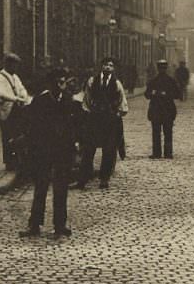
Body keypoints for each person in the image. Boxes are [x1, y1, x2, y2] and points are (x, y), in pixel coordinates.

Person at [20, 67, 83, 239]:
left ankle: (60, 224)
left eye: (63, 82)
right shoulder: (40, 101)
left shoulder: (69, 101)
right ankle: (34, 224)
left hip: (62, 150)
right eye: (58, 82)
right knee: (40, 186)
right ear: (51, 84)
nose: (61, 85)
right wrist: (32, 148)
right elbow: (31, 126)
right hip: (43, 150)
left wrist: (75, 144)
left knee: (61, 187)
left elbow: (75, 125)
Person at [79, 57, 129, 188]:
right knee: (88, 149)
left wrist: (118, 112)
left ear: (113, 69)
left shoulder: (116, 83)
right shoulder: (92, 81)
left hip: (109, 119)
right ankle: (83, 178)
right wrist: (89, 111)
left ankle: (104, 178)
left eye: (111, 66)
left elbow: (121, 99)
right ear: (101, 66)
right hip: (95, 118)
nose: (108, 67)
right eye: (106, 65)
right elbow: (87, 98)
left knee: (109, 149)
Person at [0, 53, 31, 172]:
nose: (15, 68)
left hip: (17, 109)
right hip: (6, 110)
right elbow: (0, 93)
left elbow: (21, 88)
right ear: (7, 64)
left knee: (17, 134)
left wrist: (23, 96)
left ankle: (17, 160)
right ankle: (9, 162)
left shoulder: (15, 77)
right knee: (7, 135)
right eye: (14, 65)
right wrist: (15, 98)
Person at [145, 58, 182, 159]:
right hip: (162, 110)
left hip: (164, 110)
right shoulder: (155, 81)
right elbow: (147, 95)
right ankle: (162, 153)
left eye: (163, 68)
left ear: (165, 68)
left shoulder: (167, 81)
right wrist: (161, 94)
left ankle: (164, 153)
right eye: (160, 67)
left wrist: (162, 94)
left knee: (164, 132)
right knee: (161, 132)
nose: (161, 69)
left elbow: (177, 94)